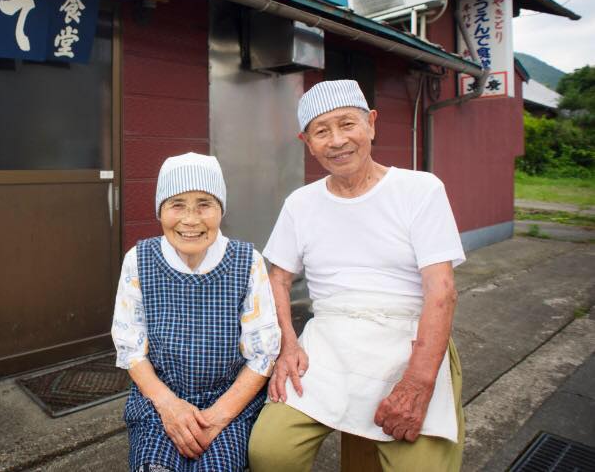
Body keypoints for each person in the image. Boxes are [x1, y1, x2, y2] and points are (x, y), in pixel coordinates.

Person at [248, 80, 465, 472]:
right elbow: (276, 279)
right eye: (321, 131)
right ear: (307, 142)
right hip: (328, 341)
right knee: (271, 452)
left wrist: (419, 382)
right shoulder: (300, 204)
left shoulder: (420, 190)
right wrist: (288, 345)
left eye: (347, 124)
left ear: (372, 125)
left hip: (408, 338)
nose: (336, 141)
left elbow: (442, 291)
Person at [112, 152, 281, 472]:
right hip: (159, 400)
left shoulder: (247, 262)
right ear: (160, 211)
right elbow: (130, 345)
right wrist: (168, 405)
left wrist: (218, 417)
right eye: (177, 204)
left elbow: (263, 354)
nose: (191, 219)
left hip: (229, 402)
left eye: (204, 203)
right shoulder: (139, 260)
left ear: (221, 210)